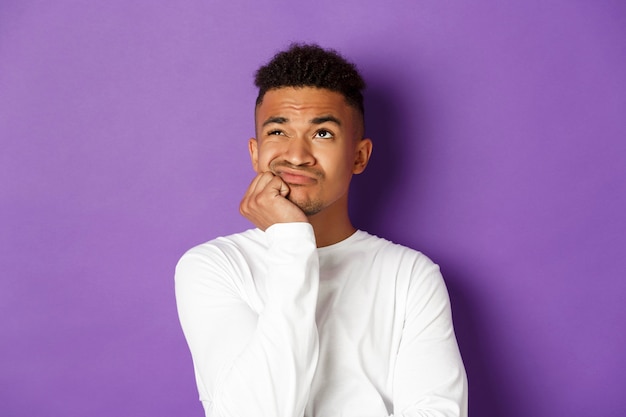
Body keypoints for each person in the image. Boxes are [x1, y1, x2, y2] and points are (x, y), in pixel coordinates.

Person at [175, 43, 468, 417]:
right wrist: (291, 241)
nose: (296, 155)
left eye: (323, 134)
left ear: (359, 156)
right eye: (278, 132)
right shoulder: (212, 266)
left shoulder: (410, 275)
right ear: (255, 152)